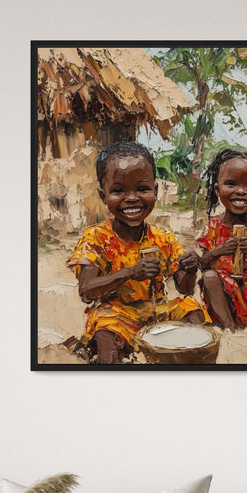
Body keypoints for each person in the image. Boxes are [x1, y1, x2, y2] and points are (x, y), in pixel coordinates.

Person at [67, 141, 205, 365]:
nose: (131, 198)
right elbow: (86, 291)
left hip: (157, 310)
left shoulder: (163, 238)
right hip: (116, 314)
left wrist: (189, 269)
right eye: (118, 191)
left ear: (156, 191)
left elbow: (185, 288)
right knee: (105, 334)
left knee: (193, 312)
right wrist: (129, 273)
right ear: (103, 196)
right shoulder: (96, 238)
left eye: (142, 189)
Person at [195, 149, 247, 330]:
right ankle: (229, 328)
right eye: (231, 184)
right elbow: (202, 263)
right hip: (223, 296)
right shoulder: (213, 226)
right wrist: (220, 250)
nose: (241, 192)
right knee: (209, 276)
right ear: (217, 189)